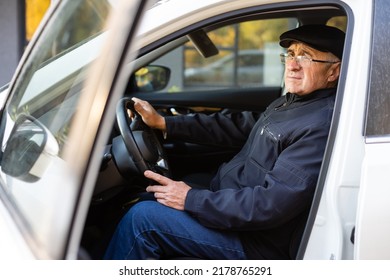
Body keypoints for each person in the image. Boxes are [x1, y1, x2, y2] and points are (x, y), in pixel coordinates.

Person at [104, 24, 345, 260]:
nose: (292, 65)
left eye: (306, 57)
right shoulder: (293, 103)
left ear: (333, 72)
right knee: (147, 197)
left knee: (142, 219)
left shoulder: (319, 124)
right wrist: (166, 123)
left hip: (253, 242)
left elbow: (269, 204)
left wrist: (191, 199)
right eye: (290, 54)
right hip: (227, 199)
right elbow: (241, 126)